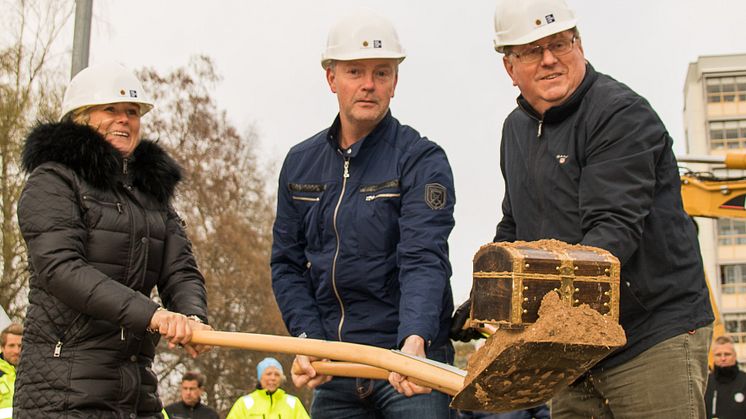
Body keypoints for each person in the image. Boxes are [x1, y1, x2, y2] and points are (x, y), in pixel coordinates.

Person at [451, 0, 714, 417]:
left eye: (560, 43)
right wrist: (486, 297)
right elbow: (516, 225)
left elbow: (611, 235)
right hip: (570, 350)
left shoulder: (620, 114)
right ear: (509, 66)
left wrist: (536, 303)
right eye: (533, 50)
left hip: (649, 335)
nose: (550, 59)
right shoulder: (515, 131)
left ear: (580, 44)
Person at [270, 8, 456, 419]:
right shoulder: (300, 164)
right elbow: (286, 264)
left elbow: (423, 258)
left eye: (382, 72)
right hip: (336, 368)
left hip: (409, 367)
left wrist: (415, 339)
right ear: (331, 77)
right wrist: (309, 341)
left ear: (395, 81)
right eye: (355, 71)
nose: (369, 85)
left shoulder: (421, 160)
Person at [14, 62, 212, 418]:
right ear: (79, 117)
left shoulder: (153, 195)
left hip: (135, 389)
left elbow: (180, 270)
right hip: (63, 391)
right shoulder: (53, 181)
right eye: (111, 109)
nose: (124, 120)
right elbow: (61, 269)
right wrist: (152, 315)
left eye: (132, 112)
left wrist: (192, 316)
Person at [226, 357, 309, 419]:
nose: (273, 378)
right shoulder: (244, 403)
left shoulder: (293, 403)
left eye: (277, 374)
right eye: (268, 374)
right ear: (260, 378)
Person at [705, 335, 746, 418]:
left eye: (727, 354)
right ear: (713, 357)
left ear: (735, 355)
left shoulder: (744, 381)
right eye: (718, 355)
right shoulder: (705, 384)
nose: (723, 358)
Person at [0, 324, 22, 419]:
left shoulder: (35, 374)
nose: (16, 351)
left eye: (20, 346)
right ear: (2, 347)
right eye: (11, 345)